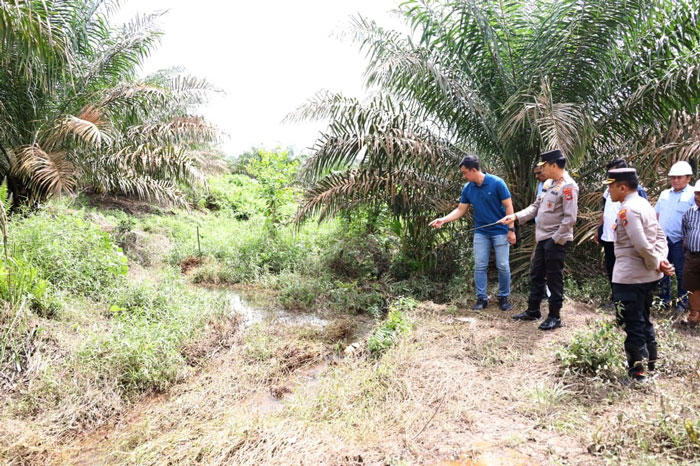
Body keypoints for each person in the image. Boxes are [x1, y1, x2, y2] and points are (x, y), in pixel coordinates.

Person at [604, 168, 674, 381]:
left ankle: (638, 372)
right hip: (646, 276)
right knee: (644, 319)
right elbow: (661, 237)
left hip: (630, 278)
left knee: (633, 323)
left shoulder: (628, 210)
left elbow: (641, 244)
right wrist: (661, 260)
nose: (609, 191)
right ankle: (651, 364)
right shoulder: (644, 204)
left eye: (611, 186)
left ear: (622, 187)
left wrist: (656, 263)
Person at [500, 149, 578, 330]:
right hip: (543, 238)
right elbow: (535, 207)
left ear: (554, 165)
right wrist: (515, 217)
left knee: (553, 278)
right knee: (536, 274)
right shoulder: (549, 184)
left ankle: (555, 316)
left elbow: (570, 218)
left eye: (545, 166)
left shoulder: (568, 186)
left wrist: (556, 239)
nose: (542, 170)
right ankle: (533, 310)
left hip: (555, 240)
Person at [430, 155, 516, 311]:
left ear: (474, 170)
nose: (464, 176)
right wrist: (443, 219)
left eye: (465, 173)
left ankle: (503, 297)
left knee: (503, 265)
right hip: (481, 232)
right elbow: (460, 210)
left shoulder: (497, 183)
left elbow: (509, 208)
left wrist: (511, 230)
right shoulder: (468, 188)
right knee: (480, 265)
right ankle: (481, 299)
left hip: (500, 231)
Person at [595, 158, 648, 306]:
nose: (609, 176)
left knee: (625, 270)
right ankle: (616, 299)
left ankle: (627, 301)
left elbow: (640, 216)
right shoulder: (608, 191)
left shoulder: (637, 191)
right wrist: (599, 230)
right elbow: (604, 211)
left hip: (625, 239)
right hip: (609, 236)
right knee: (612, 269)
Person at [655, 160, 695, 311]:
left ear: (688, 178)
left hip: (681, 241)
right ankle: (663, 301)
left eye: (679, 177)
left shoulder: (693, 195)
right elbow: (656, 215)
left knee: (681, 273)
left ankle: (682, 303)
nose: (675, 180)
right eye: (673, 177)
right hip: (664, 240)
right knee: (662, 271)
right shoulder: (664, 194)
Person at [681, 180, 700, 327]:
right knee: (692, 286)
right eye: (696, 194)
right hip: (693, 255)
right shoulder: (689, 213)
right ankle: (694, 315)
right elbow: (685, 233)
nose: (697, 197)